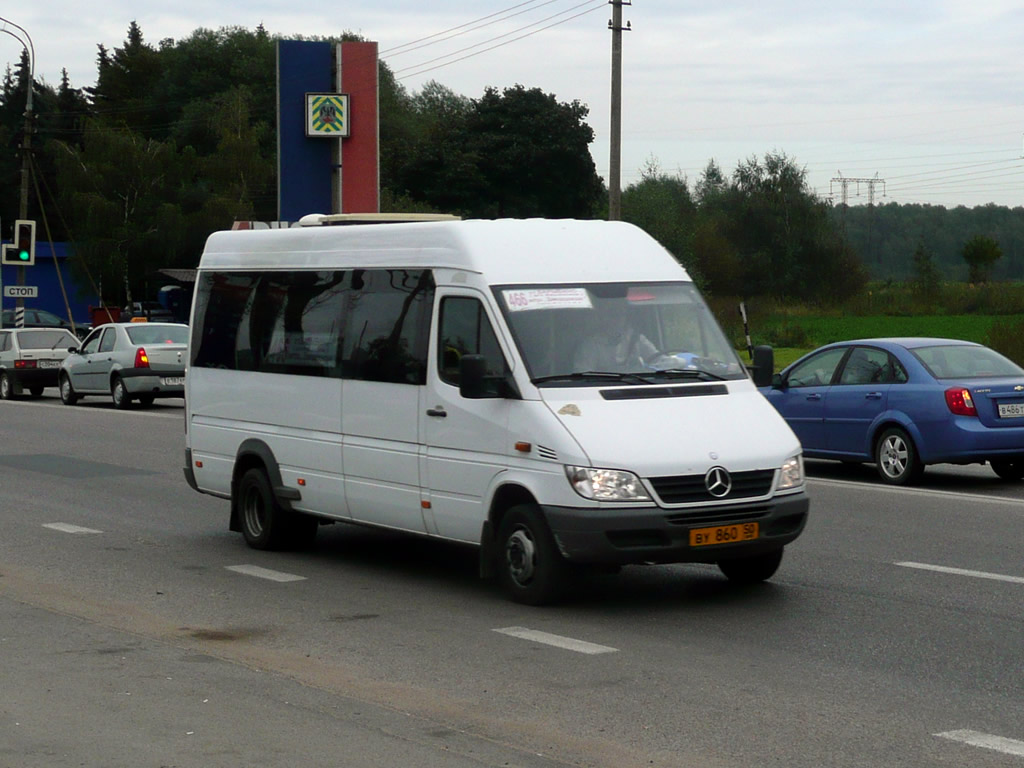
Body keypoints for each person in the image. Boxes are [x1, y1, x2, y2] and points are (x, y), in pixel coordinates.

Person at [573, 302, 658, 372]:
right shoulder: (590, 345)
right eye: (613, 315)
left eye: (621, 315)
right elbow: (583, 373)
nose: (618, 319)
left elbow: (659, 360)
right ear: (602, 318)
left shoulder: (636, 339)